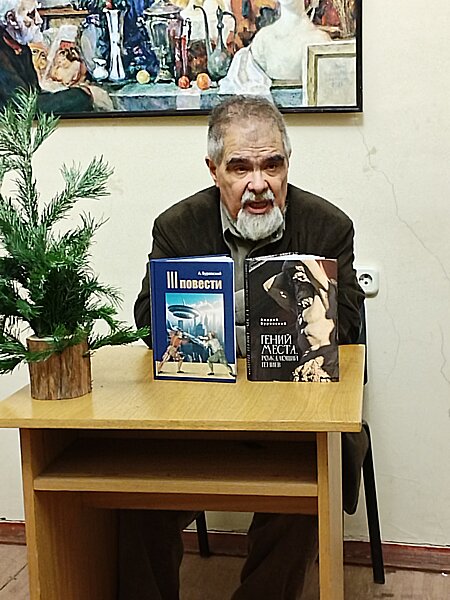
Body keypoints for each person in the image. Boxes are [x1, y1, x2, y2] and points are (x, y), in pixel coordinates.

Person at [130, 95, 368, 600]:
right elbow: (151, 321)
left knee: (301, 502)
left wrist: (218, 321)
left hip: (296, 420)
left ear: (287, 165)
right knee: (132, 495)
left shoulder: (328, 227)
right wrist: (267, 319)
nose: (258, 184)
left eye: (271, 165)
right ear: (214, 170)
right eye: (240, 167)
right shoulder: (177, 227)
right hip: (196, 416)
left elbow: (345, 330)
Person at [0, 0, 93, 113]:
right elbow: (26, 108)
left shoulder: (21, 49)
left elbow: (34, 94)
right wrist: (81, 95)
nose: (39, 20)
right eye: (31, 15)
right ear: (11, 19)